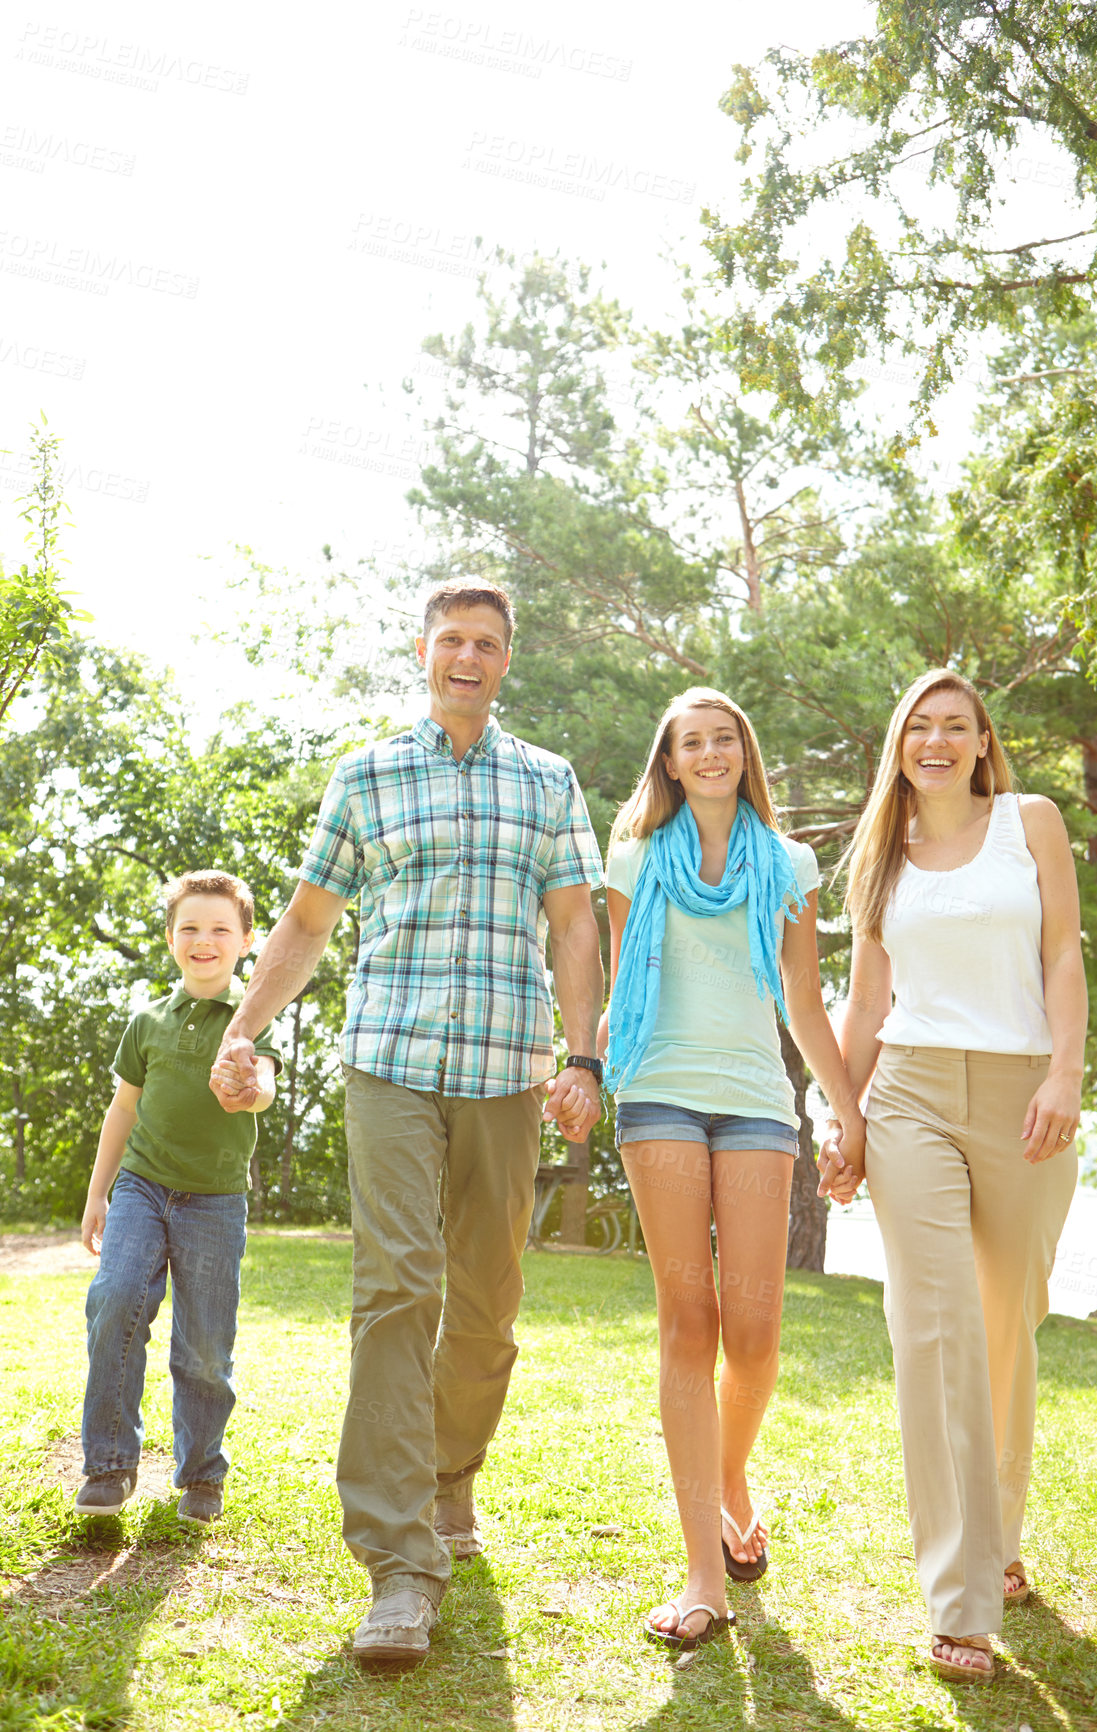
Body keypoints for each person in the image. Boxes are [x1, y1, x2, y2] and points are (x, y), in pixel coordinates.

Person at [211, 580, 604, 1667]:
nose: (466, 657)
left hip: (506, 1069)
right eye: (450, 640)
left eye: (487, 643)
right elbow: (306, 921)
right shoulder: (368, 774)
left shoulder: (547, 779)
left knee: (486, 1302)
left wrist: (583, 1057)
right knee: (396, 1286)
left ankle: (447, 1473)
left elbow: (575, 922)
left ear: (507, 660)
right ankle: (396, 1560)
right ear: (423, 652)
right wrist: (241, 1028)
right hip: (388, 1058)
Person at [820, 668, 1086, 1684]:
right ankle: (960, 1598)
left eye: (953, 726)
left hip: (1026, 1093)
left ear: (981, 741)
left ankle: (997, 1535)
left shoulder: (1031, 823)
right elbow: (864, 1002)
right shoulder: (881, 856)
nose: (934, 741)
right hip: (911, 1096)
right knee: (934, 1328)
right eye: (917, 727)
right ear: (899, 746)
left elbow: (1061, 955)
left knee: (1004, 1324)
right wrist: (845, 1119)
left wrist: (1064, 1074)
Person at [599, 688, 867, 1650]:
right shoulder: (633, 857)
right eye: (692, 743)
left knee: (753, 1335)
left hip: (756, 1097)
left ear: (744, 754)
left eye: (724, 740)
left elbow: (802, 994)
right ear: (670, 762)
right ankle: (702, 1575)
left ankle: (729, 1475)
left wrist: (845, 1105)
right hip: (659, 1092)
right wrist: (586, 1062)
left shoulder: (789, 864)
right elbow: (624, 977)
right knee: (690, 1322)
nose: (709, 754)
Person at [76, 871, 281, 1525]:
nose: (203, 939)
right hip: (141, 1187)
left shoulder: (253, 1019)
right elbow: (122, 1109)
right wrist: (98, 1193)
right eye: (189, 927)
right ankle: (109, 1466)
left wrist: (249, 1089)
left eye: (220, 928)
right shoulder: (147, 1022)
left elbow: (266, 1084)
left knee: (205, 1347)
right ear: (170, 939)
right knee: (115, 1301)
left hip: (215, 1201)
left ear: (246, 940)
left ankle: (201, 1476)